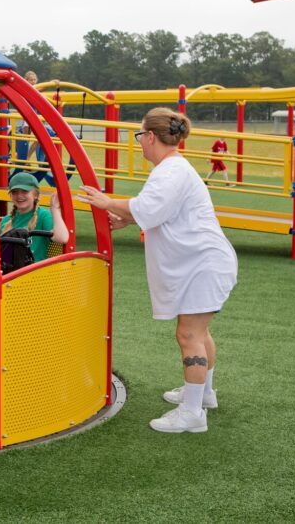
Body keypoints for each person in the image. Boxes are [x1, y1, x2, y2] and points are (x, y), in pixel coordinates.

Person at [79, 107, 237, 434]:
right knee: (199, 332)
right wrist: (128, 215)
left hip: (203, 265)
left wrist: (108, 203)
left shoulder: (170, 171)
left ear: (150, 136)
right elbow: (160, 210)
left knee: (189, 334)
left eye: (140, 136)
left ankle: (193, 413)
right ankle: (203, 394)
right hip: (206, 263)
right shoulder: (173, 170)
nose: (140, 143)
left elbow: (148, 207)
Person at [0, 171, 69, 263]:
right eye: (15, 192)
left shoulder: (43, 216)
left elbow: (62, 238)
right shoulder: (6, 220)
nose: (19, 196)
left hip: (34, 272)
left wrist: (55, 210)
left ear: (35, 194)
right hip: (10, 271)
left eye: (24, 191)